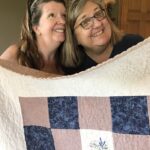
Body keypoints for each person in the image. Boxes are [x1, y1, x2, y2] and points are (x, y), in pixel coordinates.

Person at [62, 0, 144, 74]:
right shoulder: (70, 69)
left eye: (98, 14)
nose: (98, 24)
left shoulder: (136, 45)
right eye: (85, 22)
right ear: (74, 37)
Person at [0, 0, 66, 75]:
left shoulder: (70, 63)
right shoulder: (16, 55)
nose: (63, 21)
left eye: (64, 15)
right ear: (36, 28)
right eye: (51, 15)